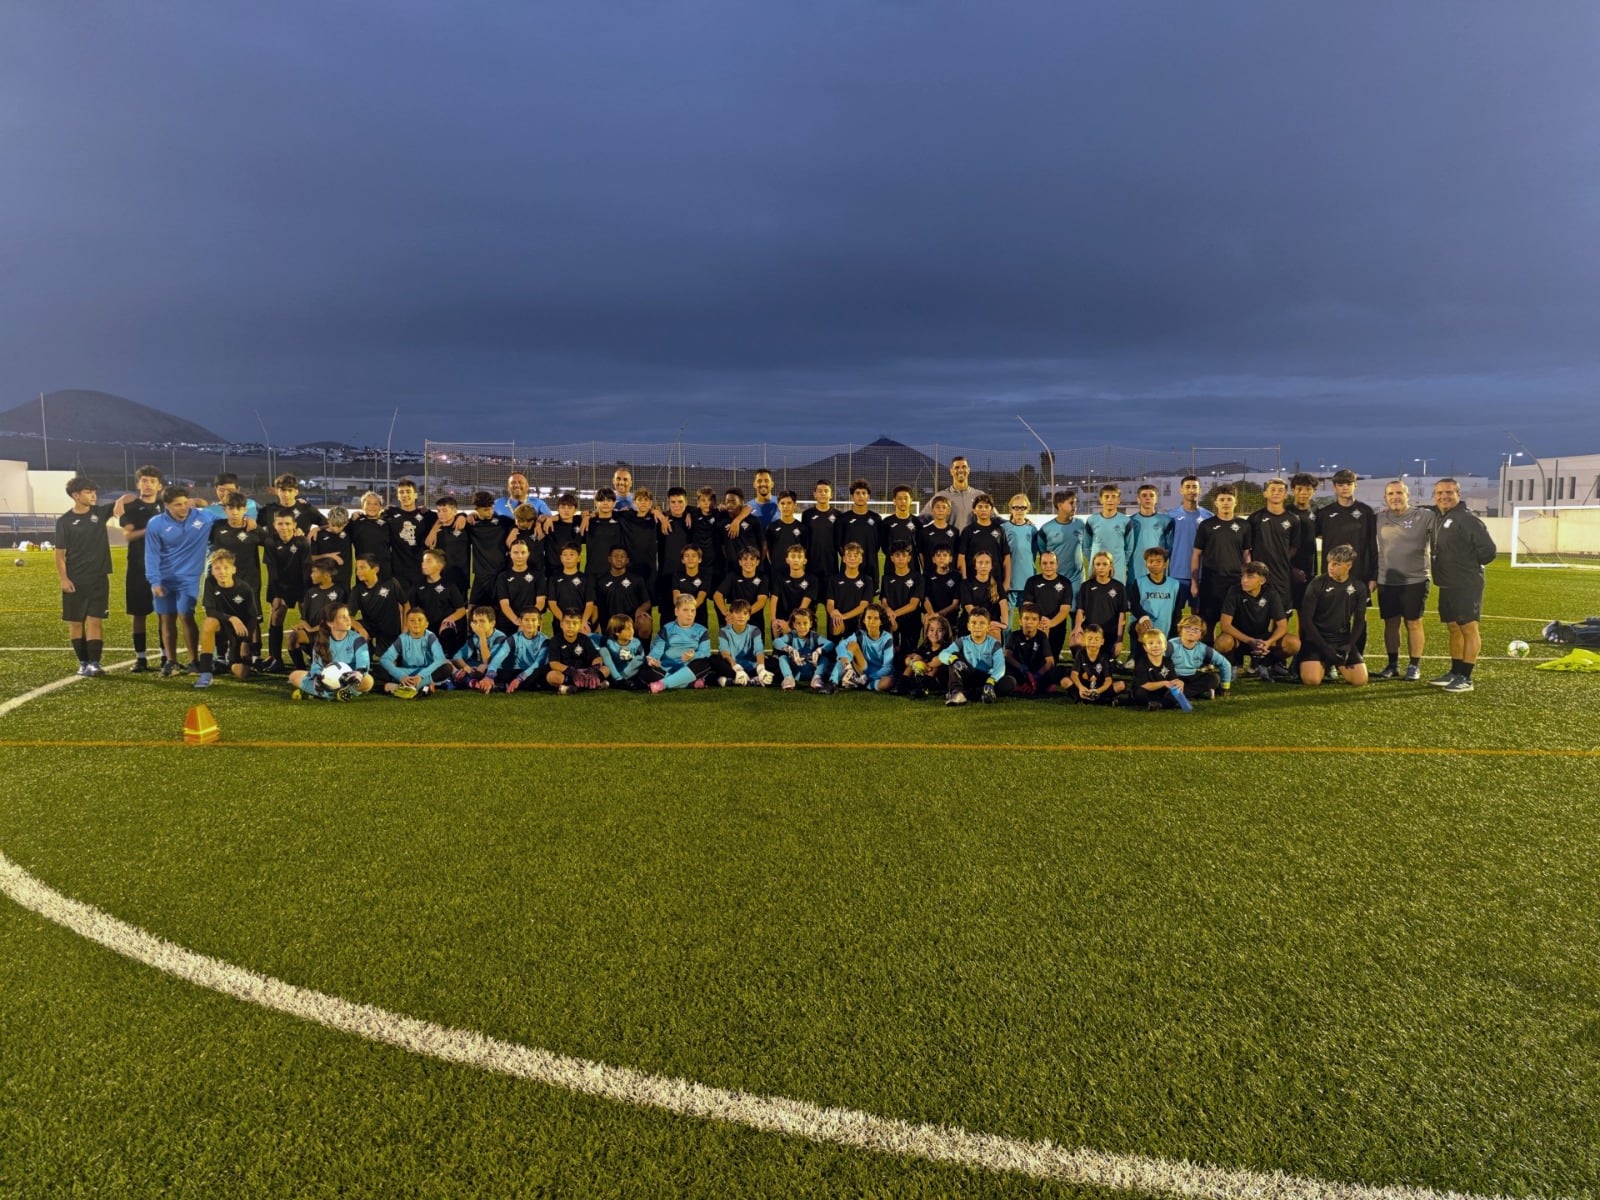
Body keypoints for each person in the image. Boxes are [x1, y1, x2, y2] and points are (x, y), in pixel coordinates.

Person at [143, 484, 224, 675]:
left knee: (186, 615)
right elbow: (151, 554)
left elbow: (228, 521)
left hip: (188, 578)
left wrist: (248, 521)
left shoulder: (203, 516)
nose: (184, 507)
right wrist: (154, 581)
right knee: (167, 618)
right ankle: (171, 661)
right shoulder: (156, 523)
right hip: (164, 579)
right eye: (178, 504)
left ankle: (193, 661)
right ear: (167, 506)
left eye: (185, 503)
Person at [1429, 477, 1497, 693]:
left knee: (1468, 628)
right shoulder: (1440, 517)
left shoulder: (1467, 519)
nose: (1444, 496)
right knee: (1453, 627)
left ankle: (1466, 677)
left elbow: (1488, 551)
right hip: (1447, 584)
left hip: (1466, 583)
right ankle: (1455, 671)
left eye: (1449, 492)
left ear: (1458, 494)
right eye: (1440, 493)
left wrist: (1466, 565)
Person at [1373, 480, 1438, 681]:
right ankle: (1392, 664)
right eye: (1391, 494)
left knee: (1414, 623)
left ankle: (1414, 665)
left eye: (1399, 493)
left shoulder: (1425, 516)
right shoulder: (1379, 518)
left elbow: (1443, 535)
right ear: (1385, 499)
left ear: (1408, 495)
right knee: (1390, 624)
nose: (1395, 497)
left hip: (1415, 579)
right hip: (1387, 579)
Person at [1297, 545, 1370, 688]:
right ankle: (1313, 662)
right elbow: (1306, 619)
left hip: (1341, 640)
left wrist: (1349, 645)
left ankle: (1329, 664)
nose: (1331, 567)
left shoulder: (1359, 587)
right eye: (1329, 563)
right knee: (1312, 681)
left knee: (1359, 680)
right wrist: (1324, 647)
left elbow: (1360, 621)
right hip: (1317, 640)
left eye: (1336, 564)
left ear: (1349, 565)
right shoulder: (1317, 583)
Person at [1215, 563, 1298, 680]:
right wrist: (1250, 641)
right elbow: (1225, 625)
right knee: (1223, 642)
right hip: (1239, 639)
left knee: (1293, 643)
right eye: (1243, 576)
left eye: (1250, 577)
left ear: (1262, 580)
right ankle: (1232, 666)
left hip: (1262, 639)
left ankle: (1264, 665)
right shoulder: (1234, 591)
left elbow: (1282, 626)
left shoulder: (1271, 594)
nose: (1244, 580)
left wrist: (1269, 642)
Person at [192, 549, 261, 688]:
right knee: (209, 623)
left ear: (233, 570)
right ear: (212, 571)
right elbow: (210, 611)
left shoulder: (244, 589)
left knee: (242, 673)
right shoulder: (210, 583)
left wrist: (245, 643)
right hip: (222, 627)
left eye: (226, 568)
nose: (222, 572)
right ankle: (205, 673)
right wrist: (231, 618)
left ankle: (230, 662)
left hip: (239, 633)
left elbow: (253, 618)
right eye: (217, 568)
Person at [119, 466, 164, 672]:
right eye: (144, 480)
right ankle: (141, 658)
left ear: (159, 485)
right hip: (138, 567)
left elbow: (197, 505)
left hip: (164, 568)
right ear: (138, 484)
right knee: (139, 614)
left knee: (165, 613)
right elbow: (128, 535)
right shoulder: (131, 508)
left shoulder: (167, 506)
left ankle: (167, 657)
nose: (147, 484)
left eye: (152, 481)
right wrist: (150, 529)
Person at [1190, 485, 1251, 639]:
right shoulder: (1206, 525)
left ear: (1235, 502)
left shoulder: (1244, 526)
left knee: (1236, 623)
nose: (1225, 503)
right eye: (1222, 499)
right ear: (1215, 503)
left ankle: (1233, 660)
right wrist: (1194, 582)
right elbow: (1197, 554)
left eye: (1229, 499)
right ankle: (1208, 658)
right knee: (1208, 623)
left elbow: (1246, 555)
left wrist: (1247, 578)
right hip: (1211, 582)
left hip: (1235, 582)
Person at [259, 511, 311, 674]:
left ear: (295, 525)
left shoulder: (302, 542)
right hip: (279, 585)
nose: (284, 527)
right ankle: (276, 659)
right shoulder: (270, 542)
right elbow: (272, 571)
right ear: (274, 526)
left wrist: (305, 596)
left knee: (308, 619)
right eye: (280, 524)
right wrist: (278, 595)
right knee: (276, 615)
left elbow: (306, 569)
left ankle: (313, 654)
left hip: (300, 586)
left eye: (288, 524)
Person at [288, 603, 374, 700]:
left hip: (349, 680)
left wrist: (356, 676)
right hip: (327, 680)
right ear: (330, 623)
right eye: (342, 617)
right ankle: (340, 694)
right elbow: (316, 667)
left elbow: (363, 665)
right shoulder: (322, 640)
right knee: (294, 676)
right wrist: (318, 679)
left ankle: (322, 694)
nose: (348, 619)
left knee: (368, 681)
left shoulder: (358, 639)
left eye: (348, 616)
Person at [1245, 478, 1303, 617]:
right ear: (1265, 493)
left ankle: (1277, 640)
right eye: (1272, 490)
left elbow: (1295, 546)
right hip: (1258, 574)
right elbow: (1247, 546)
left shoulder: (1293, 519)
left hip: (1281, 574)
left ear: (1286, 495)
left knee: (1282, 615)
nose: (1276, 493)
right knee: (1256, 614)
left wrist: (1283, 558)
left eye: (1280, 490)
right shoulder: (1255, 518)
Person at [936, 605, 1011, 705]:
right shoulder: (963, 641)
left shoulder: (994, 644)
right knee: (953, 655)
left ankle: (965, 694)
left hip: (985, 678)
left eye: (982, 623)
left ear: (988, 627)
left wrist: (991, 681)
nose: (977, 626)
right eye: (974, 623)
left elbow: (1000, 666)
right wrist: (954, 660)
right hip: (968, 674)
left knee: (1010, 682)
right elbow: (943, 654)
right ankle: (957, 692)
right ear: (968, 626)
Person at [646, 595, 716, 692]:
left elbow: (706, 653)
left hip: (690, 668)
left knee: (706, 662)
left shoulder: (702, 630)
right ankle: (688, 683)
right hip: (666, 669)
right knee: (645, 669)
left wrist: (693, 655)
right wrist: (653, 659)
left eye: (693, 610)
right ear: (676, 612)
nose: (690, 614)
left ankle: (663, 684)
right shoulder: (667, 628)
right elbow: (657, 649)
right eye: (685, 610)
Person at [378, 607, 449, 697]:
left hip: (426, 673)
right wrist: (401, 676)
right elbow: (385, 659)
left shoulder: (430, 637)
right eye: (412, 620)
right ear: (406, 624)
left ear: (426, 624)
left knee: (446, 668)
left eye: (420, 620)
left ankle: (401, 687)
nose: (416, 623)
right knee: (377, 669)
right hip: (406, 673)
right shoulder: (402, 639)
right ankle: (423, 688)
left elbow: (440, 659)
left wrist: (420, 676)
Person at [351, 554, 408, 660]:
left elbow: (406, 604)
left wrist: (405, 627)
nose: (358, 571)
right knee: (350, 629)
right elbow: (349, 616)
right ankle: (366, 653)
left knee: (386, 661)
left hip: (388, 629)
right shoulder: (357, 590)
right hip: (370, 627)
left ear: (375, 569)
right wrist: (360, 629)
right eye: (357, 568)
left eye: (362, 567)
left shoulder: (390, 584)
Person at [1164, 476, 1209, 611]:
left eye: (1194, 487)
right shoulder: (1171, 516)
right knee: (1174, 618)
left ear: (1200, 490)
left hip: (1201, 576)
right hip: (1177, 575)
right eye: (1187, 487)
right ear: (1181, 491)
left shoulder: (1208, 516)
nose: (1191, 490)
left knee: (1200, 620)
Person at [1021, 550, 1074, 661]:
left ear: (1057, 564)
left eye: (1052, 563)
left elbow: (1065, 610)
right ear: (1039, 565)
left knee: (1051, 663)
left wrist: (1050, 623)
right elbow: (1027, 607)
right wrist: (1038, 623)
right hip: (1034, 627)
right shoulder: (1032, 582)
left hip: (1056, 627)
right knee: (1032, 662)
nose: (1048, 566)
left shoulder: (1065, 583)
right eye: (1044, 563)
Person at [1036, 490, 1087, 605]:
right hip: (1054, 578)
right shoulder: (1046, 528)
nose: (1075, 506)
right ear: (1059, 505)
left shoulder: (1080, 525)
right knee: (1055, 614)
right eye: (1071, 503)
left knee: (1076, 612)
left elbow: (1087, 547)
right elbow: (1043, 553)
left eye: (1075, 503)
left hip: (1077, 578)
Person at [384, 478, 436, 591]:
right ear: (397, 496)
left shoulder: (426, 515)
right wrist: (358, 514)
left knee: (420, 606)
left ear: (416, 495)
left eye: (408, 491)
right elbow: (373, 515)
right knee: (401, 605)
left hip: (421, 568)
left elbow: (445, 518)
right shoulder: (390, 514)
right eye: (401, 492)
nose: (405, 495)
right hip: (398, 570)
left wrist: (433, 530)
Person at [1072, 551, 1127, 653]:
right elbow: (1080, 610)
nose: (1101, 567)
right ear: (1093, 566)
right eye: (1098, 564)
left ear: (1110, 566)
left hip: (1109, 634)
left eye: (1105, 564)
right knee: (1074, 642)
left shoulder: (1119, 587)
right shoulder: (1086, 586)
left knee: (1111, 654)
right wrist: (1077, 627)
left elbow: (1122, 616)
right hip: (1090, 632)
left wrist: (1119, 639)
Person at [878, 541, 925, 661]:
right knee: (890, 655)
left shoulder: (917, 577)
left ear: (909, 558)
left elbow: (913, 605)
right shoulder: (887, 578)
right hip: (892, 621)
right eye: (897, 555)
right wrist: (888, 610)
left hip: (911, 622)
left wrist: (893, 613)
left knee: (907, 657)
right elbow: (884, 601)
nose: (900, 559)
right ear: (892, 558)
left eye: (904, 555)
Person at [833, 602, 895, 692]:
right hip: (862, 670)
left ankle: (862, 684)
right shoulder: (860, 634)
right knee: (852, 645)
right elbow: (841, 645)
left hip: (878, 674)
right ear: (864, 620)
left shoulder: (887, 638)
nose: (871, 622)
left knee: (888, 682)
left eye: (876, 618)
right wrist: (845, 660)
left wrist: (869, 678)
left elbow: (887, 667)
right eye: (869, 618)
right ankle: (838, 679)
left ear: (881, 622)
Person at [1168, 615, 1233, 699]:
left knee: (1214, 678)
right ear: (1180, 630)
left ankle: (1182, 693)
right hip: (1173, 676)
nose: (1191, 632)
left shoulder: (1203, 649)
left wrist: (1225, 689)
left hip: (1192, 677)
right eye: (1187, 628)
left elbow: (1225, 664)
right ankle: (1194, 693)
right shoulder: (1171, 645)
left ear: (1201, 634)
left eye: (1195, 629)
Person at [1004, 603, 1062, 696]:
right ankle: (1025, 687)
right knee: (1006, 673)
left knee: (1055, 676)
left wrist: (1036, 676)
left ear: (1039, 623)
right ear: (1020, 621)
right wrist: (1022, 669)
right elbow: (1008, 656)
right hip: (1019, 671)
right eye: (1026, 618)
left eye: (1034, 619)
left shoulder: (1042, 636)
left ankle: (1028, 687)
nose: (1029, 622)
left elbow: (1050, 662)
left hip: (1036, 672)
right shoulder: (1014, 635)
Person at [1128, 547, 1180, 649]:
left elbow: (1177, 610)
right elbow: (1133, 605)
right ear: (1146, 564)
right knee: (1144, 627)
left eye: (1158, 561)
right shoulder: (1139, 582)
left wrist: (1175, 630)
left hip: (1165, 626)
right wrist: (1143, 618)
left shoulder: (1174, 584)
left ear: (1165, 564)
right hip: (1143, 624)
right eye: (1150, 561)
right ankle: (1137, 656)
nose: (1154, 564)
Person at [452, 606, 512, 693]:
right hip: (477, 667)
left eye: (482, 621)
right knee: (446, 661)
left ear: (492, 623)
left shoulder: (500, 638)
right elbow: (457, 656)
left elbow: (488, 662)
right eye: (475, 621)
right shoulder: (474, 637)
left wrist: (482, 636)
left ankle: (466, 681)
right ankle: (466, 679)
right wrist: (465, 667)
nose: (478, 625)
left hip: (496, 669)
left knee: (483, 667)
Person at [546, 611, 607, 693]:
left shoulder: (585, 639)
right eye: (567, 623)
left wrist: (593, 670)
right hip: (568, 674)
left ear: (580, 626)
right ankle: (593, 685)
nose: (570, 626)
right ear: (561, 624)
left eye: (575, 623)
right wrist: (571, 672)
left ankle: (573, 688)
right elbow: (554, 663)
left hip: (585, 672)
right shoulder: (555, 640)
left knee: (606, 669)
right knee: (551, 676)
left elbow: (597, 657)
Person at [773, 606, 832, 691]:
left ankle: (817, 678)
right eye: (798, 623)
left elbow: (830, 644)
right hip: (795, 671)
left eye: (805, 623)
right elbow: (776, 642)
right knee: (783, 658)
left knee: (824, 658)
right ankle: (788, 678)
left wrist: (819, 651)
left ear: (811, 624)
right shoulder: (791, 635)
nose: (802, 627)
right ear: (794, 624)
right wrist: (790, 649)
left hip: (812, 670)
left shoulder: (814, 636)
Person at [497, 540, 549, 635]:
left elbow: (540, 602)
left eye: (523, 552)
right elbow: (504, 605)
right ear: (510, 554)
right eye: (515, 552)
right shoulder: (503, 577)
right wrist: (518, 621)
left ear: (528, 554)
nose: (519, 556)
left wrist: (526, 621)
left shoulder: (538, 575)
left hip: (530, 623)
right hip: (507, 623)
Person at [1000, 494, 1040, 621]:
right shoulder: (1003, 529)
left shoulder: (1032, 529)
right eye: (1016, 507)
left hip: (1027, 581)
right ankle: (1006, 642)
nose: (1019, 510)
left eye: (1022, 507)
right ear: (1010, 509)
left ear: (1028, 509)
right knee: (1007, 621)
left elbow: (1034, 553)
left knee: (1027, 620)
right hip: (1009, 582)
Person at [837, 481, 883, 587]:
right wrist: (851, 559)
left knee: (869, 601)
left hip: (870, 566)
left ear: (868, 496)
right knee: (847, 599)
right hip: (850, 567)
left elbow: (879, 544)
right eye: (857, 493)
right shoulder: (843, 519)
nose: (861, 496)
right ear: (852, 497)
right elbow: (839, 545)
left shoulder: (876, 519)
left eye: (864, 493)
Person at [1084, 484, 1131, 584]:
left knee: (1117, 597)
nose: (1110, 500)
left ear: (1119, 500)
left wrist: (1121, 563)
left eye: (1114, 497)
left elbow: (1129, 548)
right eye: (1106, 497)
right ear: (1101, 500)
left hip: (1117, 569)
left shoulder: (1125, 521)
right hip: (1097, 569)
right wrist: (1095, 562)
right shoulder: (1092, 520)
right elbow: (1086, 547)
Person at [1131, 629, 1187, 711]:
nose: (1155, 646)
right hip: (1146, 692)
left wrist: (1179, 682)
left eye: (1159, 643)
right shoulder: (1141, 662)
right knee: (1139, 692)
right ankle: (1162, 703)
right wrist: (1164, 683)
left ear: (1165, 646)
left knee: (1178, 690)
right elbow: (1144, 685)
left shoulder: (1168, 661)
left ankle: (1159, 704)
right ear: (1145, 648)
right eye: (1151, 643)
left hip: (1161, 693)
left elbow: (1173, 679)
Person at [1068, 623, 1124, 705]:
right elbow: (1074, 674)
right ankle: (1098, 699)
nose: (1093, 642)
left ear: (1102, 641)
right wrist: (1081, 687)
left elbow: (1108, 680)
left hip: (1100, 687)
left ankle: (1088, 698)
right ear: (1084, 640)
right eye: (1090, 639)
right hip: (1084, 686)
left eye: (1096, 639)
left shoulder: (1105, 655)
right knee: (1065, 681)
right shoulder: (1080, 653)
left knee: (1121, 685)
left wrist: (1098, 691)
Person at [716, 600, 770, 686]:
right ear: (731, 614)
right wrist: (737, 669)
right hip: (732, 666)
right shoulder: (724, 631)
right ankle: (752, 680)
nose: (741, 616)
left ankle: (733, 681)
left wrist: (761, 668)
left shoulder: (755, 630)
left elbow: (759, 650)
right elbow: (725, 653)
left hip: (751, 666)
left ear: (749, 616)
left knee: (773, 662)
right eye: (737, 613)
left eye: (745, 613)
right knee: (715, 659)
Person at [957, 494, 1008, 583]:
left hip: (995, 580)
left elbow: (1006, 557)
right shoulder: (968, 531)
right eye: (980, 507)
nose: (983, 509)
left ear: (991, 510)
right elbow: (961, 557)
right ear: (974, 510)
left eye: (986, 506)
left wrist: (1007, 582)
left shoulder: (999, 530)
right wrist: (964, 580)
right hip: (972, 581)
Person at [1126, 484, 1174, 579]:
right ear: (1138, 499)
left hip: (1158, 571)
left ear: (1156, 499)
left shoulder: (1166, 520)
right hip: (1135, 570)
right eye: (1144, 496)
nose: (1148, 498)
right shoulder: (1130, 521)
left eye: (1151, 496)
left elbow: (1169, 548)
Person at [599, 614, 658, 691]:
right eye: (627, 629)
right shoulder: (610, 642)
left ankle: (618, 682)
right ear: (617, 632)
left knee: (638, 659)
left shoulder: (636, 642)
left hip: (630, 673)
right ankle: (618, 680)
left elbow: (642, 659)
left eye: (632, 628)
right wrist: (618, 654)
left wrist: (631, 657)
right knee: (603, 650)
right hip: (614, 673)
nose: (631, 631)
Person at [825, 542, 873, 637]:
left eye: (855, 556)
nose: (852, 558)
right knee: (836, 626)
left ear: (861, 559)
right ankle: (834, 649)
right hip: (839, 620)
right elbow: (830, 603)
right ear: (843, 559)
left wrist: (844, 617)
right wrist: (833, 612)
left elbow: (863, 606)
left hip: (857, 621)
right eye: (849, 555)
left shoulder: (867, 580)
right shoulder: (834, 580)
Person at [500, 609, 552, 695]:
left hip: (534, 672)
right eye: (526, 620)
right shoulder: (514, 638)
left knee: (541, 673)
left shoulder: (545, 641)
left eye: (533, 620)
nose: (530, 623)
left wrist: (520, 678)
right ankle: (534, 686)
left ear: (539, 622)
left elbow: (539, 663)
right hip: (519, 670)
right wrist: (490, 674)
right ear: (520, 622)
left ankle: (504, 685)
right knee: (499, 671)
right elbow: (500, 655)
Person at [957, 549, 1008, 635]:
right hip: (972, 624)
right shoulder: (966, 584)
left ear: (991, 566)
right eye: (980, 562)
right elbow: (969, 608)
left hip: (992, 624)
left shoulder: (997, 583)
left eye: (987, 562)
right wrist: (984, 623)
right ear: (975, 566)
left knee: (995, 632)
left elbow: (1003, 603)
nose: (983, 566)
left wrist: (1005, 624)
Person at [801, 480, 841, 580]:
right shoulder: (807, 515)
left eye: (826, 491)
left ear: (831, 494)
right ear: (815, 494)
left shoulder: (838, 515)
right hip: (811, 566)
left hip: (831, 565)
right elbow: (804, 541)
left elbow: (839, 541)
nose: (823, 493)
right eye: (820, 491)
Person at [672, 543, 712, 629]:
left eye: (694, 556)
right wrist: (683, 612)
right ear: (683, 560)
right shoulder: (677, 575)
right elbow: (676, 597)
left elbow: (701, 598)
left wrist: (689, 611)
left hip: (699, 617)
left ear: (699, 559)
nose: (690, 559)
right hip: (681, 615)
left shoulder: (705, 576)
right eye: (687, 556)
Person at [933, 455, 977, 531]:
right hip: (950, 541)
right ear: (951, 471)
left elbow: (997, 519)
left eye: (964, 467)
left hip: (973, 542)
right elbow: (922, 518)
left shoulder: (979, 495)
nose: (960, 470)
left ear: (968, 470)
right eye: (957, 468)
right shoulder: (941, 496)